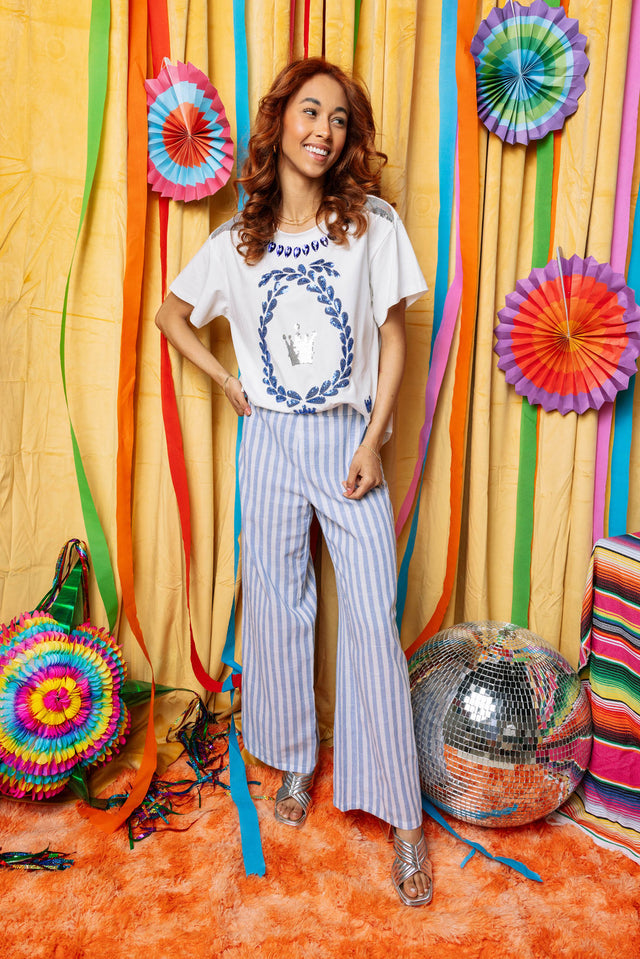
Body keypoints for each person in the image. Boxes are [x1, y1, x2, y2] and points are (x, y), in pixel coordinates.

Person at [156, 57, 431, 906]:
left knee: (372, 619)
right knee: (278, 607)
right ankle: (294, 761)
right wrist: (224, 379)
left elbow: (395, 338)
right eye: (312, 112)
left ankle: (405, 817)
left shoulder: (371, 225)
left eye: (340, 119)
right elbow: (171, 314)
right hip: (270, 439)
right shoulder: (238, 242)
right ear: (280, 123)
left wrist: (375, 438)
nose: (325, 130)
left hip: (349, 439)